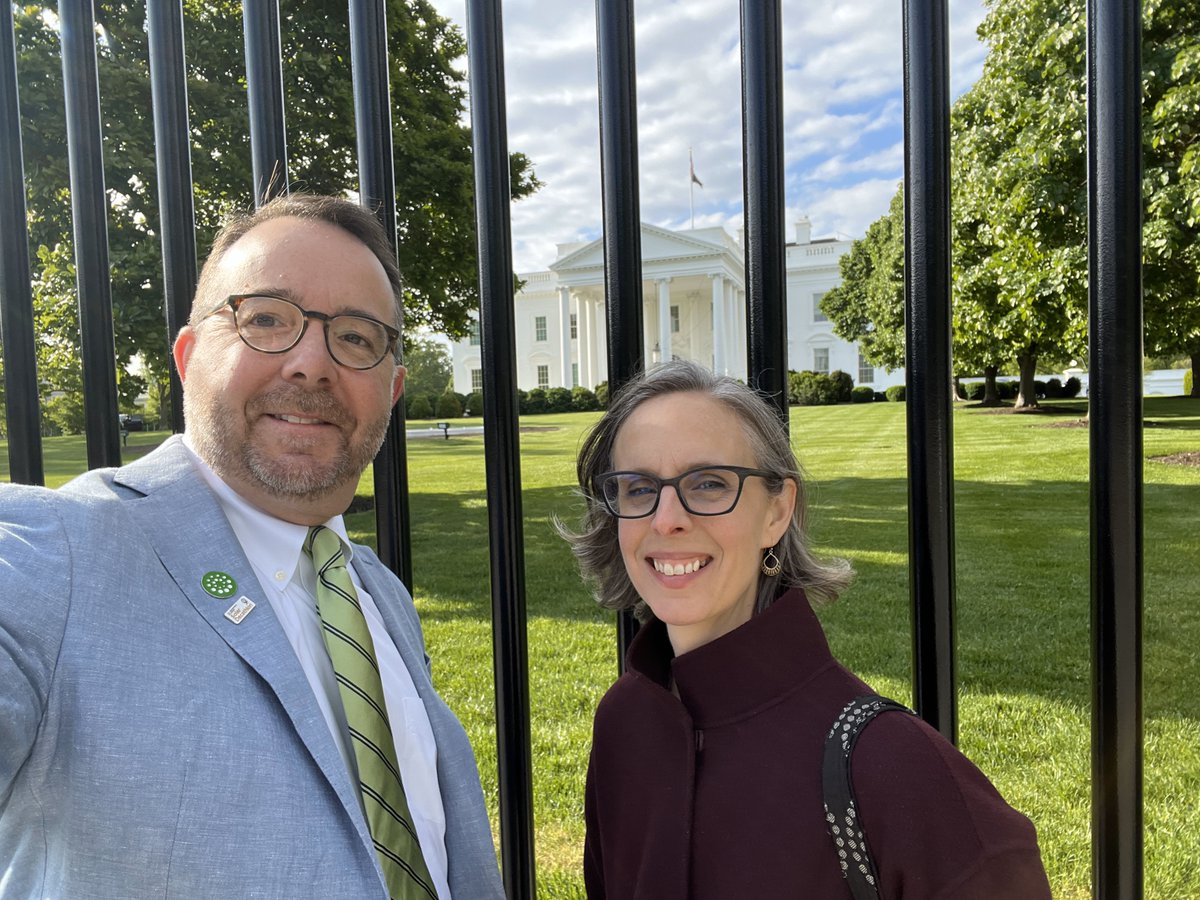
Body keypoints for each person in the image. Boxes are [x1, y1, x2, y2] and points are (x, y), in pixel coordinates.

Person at [0, 194, 503, 899]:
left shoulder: (376, 593)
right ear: (189, 355)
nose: (311, 363)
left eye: (356, 337)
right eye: (266, 318)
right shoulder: (55, 555)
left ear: (391, 389)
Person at [561, 359, 1052, 899]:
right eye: (637, 488)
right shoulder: (625, 723)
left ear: (778, 511)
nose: (666, 519)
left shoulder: (896, 770)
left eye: (707, 484)